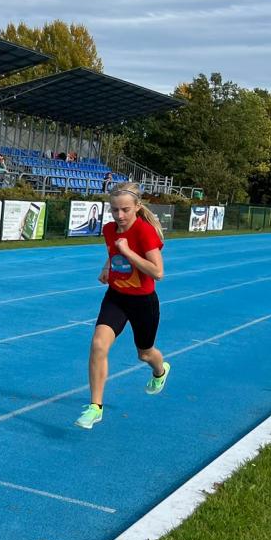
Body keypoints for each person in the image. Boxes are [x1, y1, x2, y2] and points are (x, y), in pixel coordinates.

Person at [76, 182, 170, 429]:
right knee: (98, 344)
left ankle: (160, 370)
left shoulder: (144, 232)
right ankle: (95, 407)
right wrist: (106, 267)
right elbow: (112, 250)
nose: (119, 216)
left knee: (145, 353)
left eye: (125, 210)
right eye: (115, 210)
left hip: (143, 302)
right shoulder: (109, 229)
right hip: (116, 296)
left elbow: (158, 272)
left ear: (137, 207)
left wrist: (128, 253)